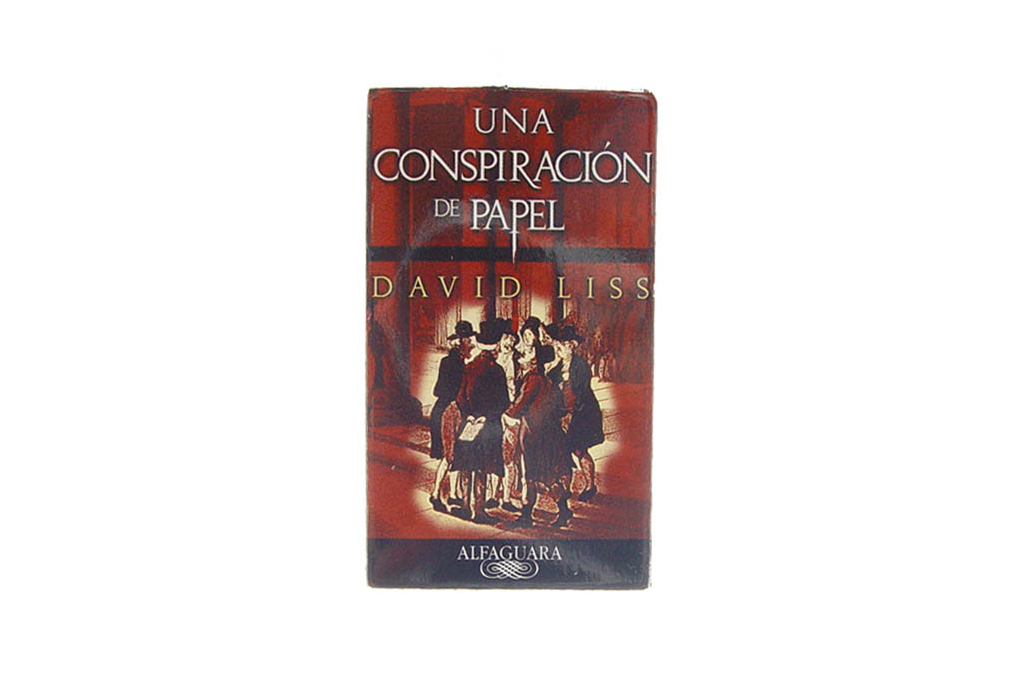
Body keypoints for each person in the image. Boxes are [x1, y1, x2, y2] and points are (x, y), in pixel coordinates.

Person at [504, 343, 575, 527]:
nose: (523, 355)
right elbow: (560, 408)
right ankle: (532, 514)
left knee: (538, 475)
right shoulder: (548, 380)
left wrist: (506, 413)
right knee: (540, 474)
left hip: (534, 433)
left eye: (528, 353)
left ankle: (552, 512)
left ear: (535, 360)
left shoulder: (534, 379)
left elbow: (520, 404)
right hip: (545, 432)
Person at [450, 319, 510, 525]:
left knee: (467, 464)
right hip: (488, 425)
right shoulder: (497, 370)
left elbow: (460, 397)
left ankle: (465, 507)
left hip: (469, 424)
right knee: (482, 467)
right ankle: (479, 510)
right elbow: (503, 402)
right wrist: (486, 416)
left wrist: (469, 415)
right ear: (495, 347)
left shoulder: (469, 366)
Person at [549, 325, 604, 502]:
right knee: (563, 451)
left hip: (582, 414)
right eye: (557, 344)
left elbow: (581, 394)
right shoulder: (558, 367)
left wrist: (571, 415)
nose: (558, 347)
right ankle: (566, 487)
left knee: (580, 450)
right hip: (564, 415)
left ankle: (590, 485)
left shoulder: (580, 366)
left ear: (571, 346)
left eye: (562, 344)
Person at [428, 321, 474, 512]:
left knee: (452, 455)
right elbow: (449, 391)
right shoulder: (457, 364)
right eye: (469, 340)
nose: (471, 344)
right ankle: (435, 494)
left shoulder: (449, 361)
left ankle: (452, 494)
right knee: (449, 456)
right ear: (461, 342)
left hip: (442, 410)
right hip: (448, 413)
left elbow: (437, 390)